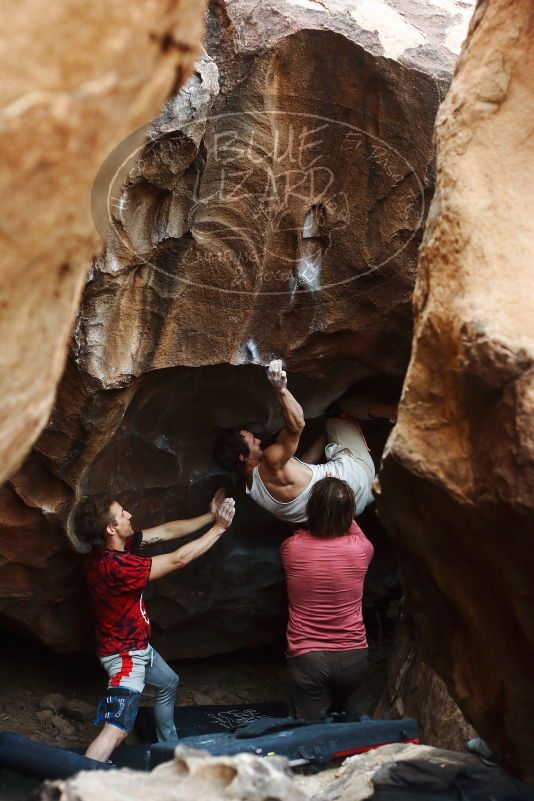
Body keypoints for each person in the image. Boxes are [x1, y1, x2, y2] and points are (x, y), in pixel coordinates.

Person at [75, 490, 235, 762]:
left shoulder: (112, 548)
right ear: (111, 528)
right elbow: (178, 559)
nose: (130, 515)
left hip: (138, 647)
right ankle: (77, 783)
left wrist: (209, 515)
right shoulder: (117, 567)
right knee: (116, 730)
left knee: (168, 683)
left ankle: (168, 748)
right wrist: (219, 528)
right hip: (125, 657)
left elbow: (166, 531)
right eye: (122, 513)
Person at [213, 359, 396, 524]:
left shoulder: (252, 490)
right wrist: (280, 389)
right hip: (358, 476)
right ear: (242, 457)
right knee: (343, 406)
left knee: (331, 424)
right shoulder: (271, 461)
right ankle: (397, 411)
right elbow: (297, 425)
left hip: (352, 508)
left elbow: (305, 464)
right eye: (252, 441)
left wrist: (324, 430)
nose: (259, 440)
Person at [280, 477, 374, 719]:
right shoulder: (362, 549)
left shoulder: (291, 548)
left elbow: (306, 528)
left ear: (312, 509)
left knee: (311, 731)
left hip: (307, 660)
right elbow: (351, 524)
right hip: (352, 660)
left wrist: (319, 509)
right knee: (342, 714)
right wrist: (339, 507)